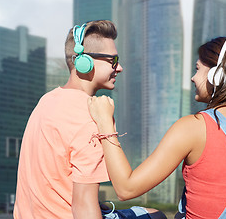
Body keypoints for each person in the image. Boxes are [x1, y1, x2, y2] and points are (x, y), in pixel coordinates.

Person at [88, 37, 226, 219]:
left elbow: (126, 189)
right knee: (154, 214)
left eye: (198, 69)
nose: (193, 78)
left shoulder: (195, 127)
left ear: (217, 75)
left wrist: (105, 122)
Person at [14, 20, 165, 219]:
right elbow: (83, 208)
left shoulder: (47, 100)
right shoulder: (91, 116)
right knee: (156, 216)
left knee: (148, 212)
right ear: (84, 62)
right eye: (113, 60)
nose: (119, 67)